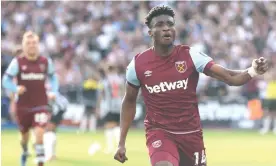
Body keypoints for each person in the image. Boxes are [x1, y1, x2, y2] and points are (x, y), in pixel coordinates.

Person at [114, 6, 269, 166]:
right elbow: (129, 101)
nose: (166, 28)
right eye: (160, 25)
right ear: (150, 32)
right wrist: (121, 142)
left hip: (191, 134)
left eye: (170, 24)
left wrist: (253, 71)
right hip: (159, 132)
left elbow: (230, 77)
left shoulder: (191, 56)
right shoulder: (138, 65)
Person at [2, 31, 59, 166]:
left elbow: (53, 77)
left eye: (34, 43)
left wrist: (54, 91)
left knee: (39, 133)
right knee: (24, 136)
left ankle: (40, 161)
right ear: (23, 45)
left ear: (38, 44)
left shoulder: (45, 62)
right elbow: (5, 80)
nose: (32, 45)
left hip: (41, 104)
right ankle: (25, 150)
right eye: (28, 43)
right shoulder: (18, 62)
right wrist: (15, 89)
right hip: (23, 106)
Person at [44, 93, 69, 161]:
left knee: (49, 131)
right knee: (51, 131)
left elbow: (52, 96)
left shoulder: (49, 88)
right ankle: (52, 154)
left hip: (57, 108)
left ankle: (49, 155)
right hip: (60, 107)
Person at [259, 62, 276, 135]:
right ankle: (266, 128)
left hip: (275, 98)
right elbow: (266, 77)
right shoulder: (268, 80)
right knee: (266, 113)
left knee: (274, 113)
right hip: (268, 98)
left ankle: (275, 128)